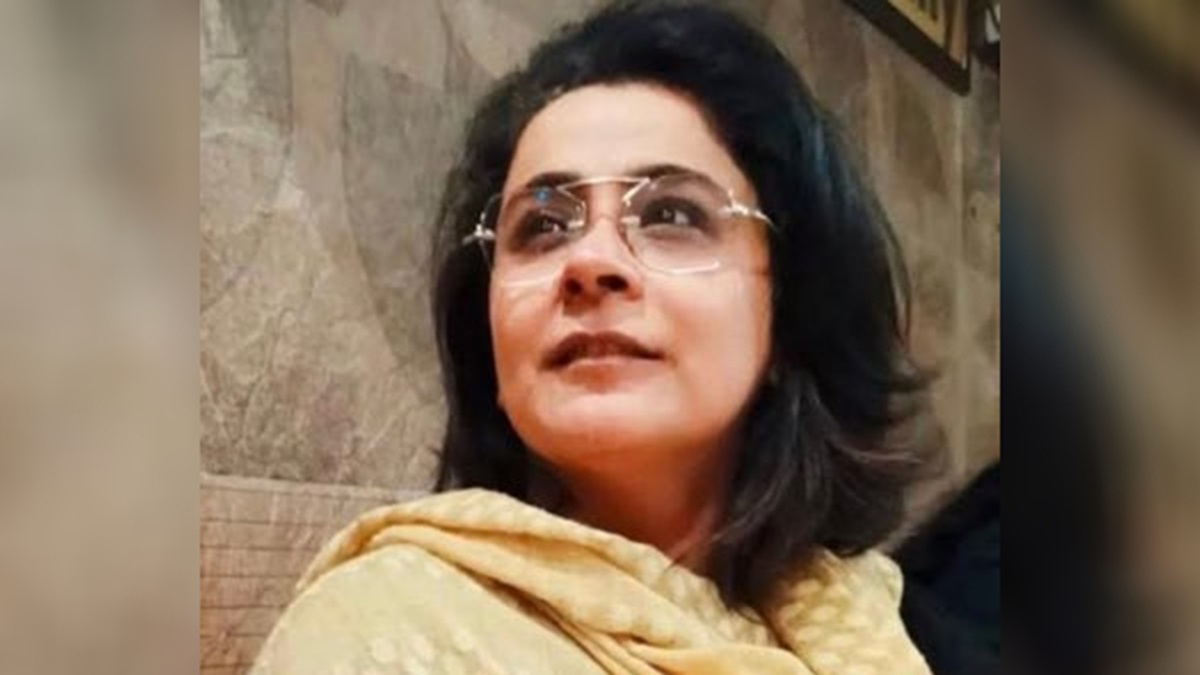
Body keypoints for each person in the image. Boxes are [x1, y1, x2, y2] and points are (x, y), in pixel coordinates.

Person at [251, 2, 933, 673]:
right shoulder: (380, 634)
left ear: (790, 309)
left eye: (671, 214)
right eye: (543, 226)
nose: (591, 262)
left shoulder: (863, 626)